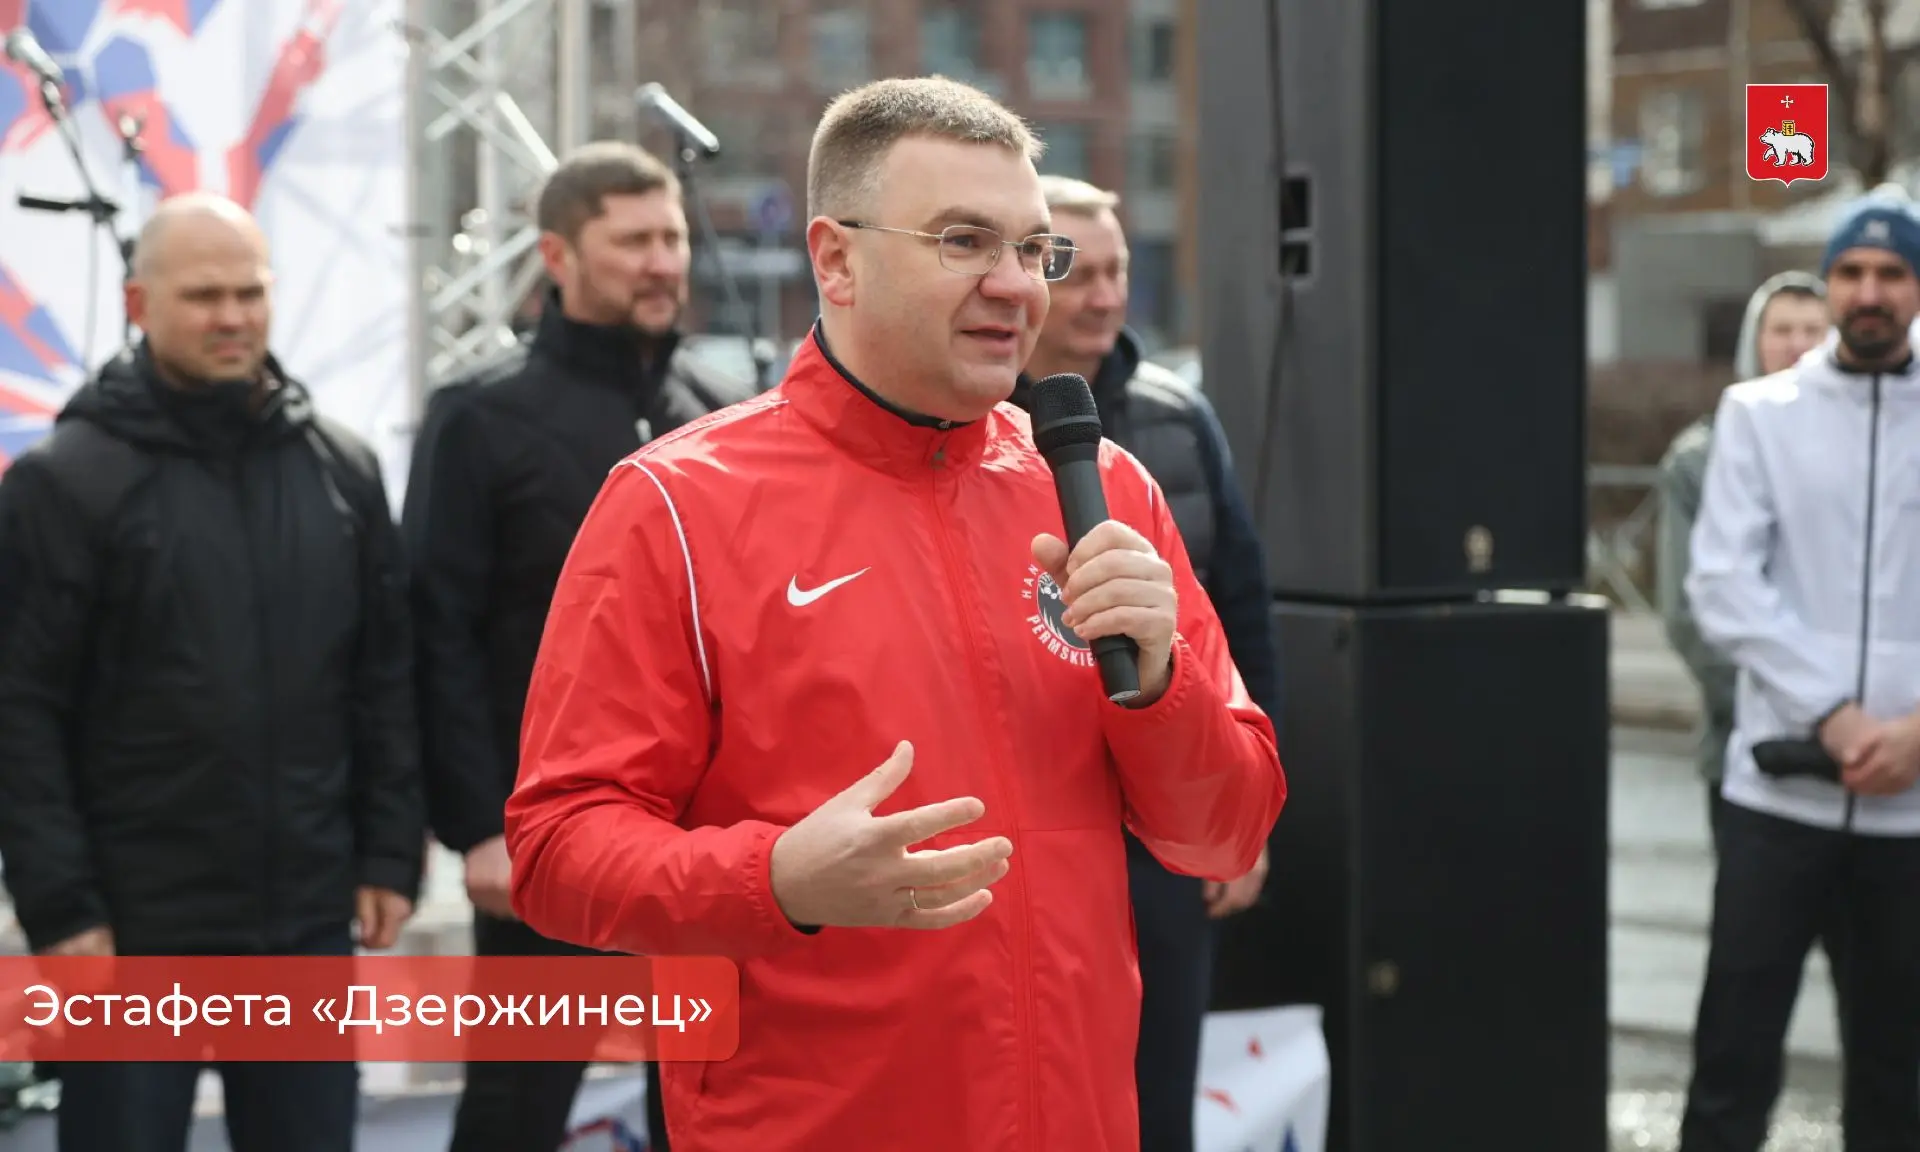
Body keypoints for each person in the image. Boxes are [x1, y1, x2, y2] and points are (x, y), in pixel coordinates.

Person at [502, 76, 1286, 1152]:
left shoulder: (1104, 490)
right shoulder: (675, 505)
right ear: (836, 259)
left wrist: (1162, 687)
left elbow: (1227, 831)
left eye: (1034, 249)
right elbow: (556, 851)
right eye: (964, 241)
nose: (1015, 284)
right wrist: (774, 881)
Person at [0, 192, 422, 1152]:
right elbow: (20, 711)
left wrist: (389, 853)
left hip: (304, 923)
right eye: (203, 296)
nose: (232, 316)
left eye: (249, 292)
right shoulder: (65, 484)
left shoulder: (341, 467)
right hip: (130, 934)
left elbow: (382, 679)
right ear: (139, 304)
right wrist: (62, 909)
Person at [403, 141, 752, 1152]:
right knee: (515, 1109)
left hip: (705, 844)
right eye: (633, 241)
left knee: (708, 1107)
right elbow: (437, 630)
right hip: (549, 837)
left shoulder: (720, 413)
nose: (663, 262)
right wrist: (478, 826)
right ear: (557, 255)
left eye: (673, 237)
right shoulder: (478, 417)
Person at [1015, 174, 1280, 1152]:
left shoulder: (1178, 418)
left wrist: (1244, 817)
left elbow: (1243, 619)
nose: (1106, 295)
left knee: (1159, 1095)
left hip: (1165, 827)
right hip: (1047, 819)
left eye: (1119, 270)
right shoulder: (969, 432)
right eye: (1079, 271)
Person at [1680, 193, 1920, 1151]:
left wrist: (1914, 733)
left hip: (1909, 812)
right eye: (1851, 273)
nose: (1870, 292)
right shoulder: (1760, 414)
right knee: (1732, 1063)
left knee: (1898, 1073)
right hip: (1777, 801)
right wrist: (1834, 715)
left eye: (1892, 274)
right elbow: (1722, 583)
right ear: (1828, 285)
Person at [1657, 271, 1828, 849]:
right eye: (1782, 329)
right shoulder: (1699, 461)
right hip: (1746, 749)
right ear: (1753, 340)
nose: (1797, 345)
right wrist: (1798, 708)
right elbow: (1689, 613)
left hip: (1865, 757)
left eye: (1812, 329)